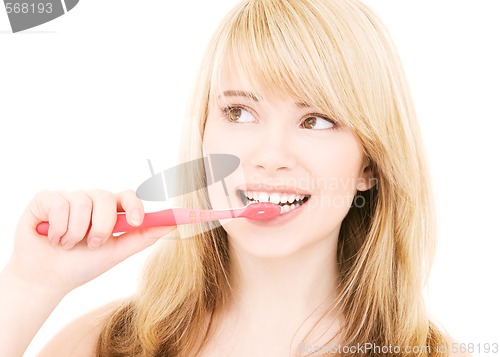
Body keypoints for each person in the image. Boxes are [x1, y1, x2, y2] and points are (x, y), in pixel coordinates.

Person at [0, 0, 471, 356]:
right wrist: (29, 287)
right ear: (205, 134)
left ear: (368, 164)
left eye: (318, 120)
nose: (269, 155)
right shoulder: (101, 344)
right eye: (239, 112)